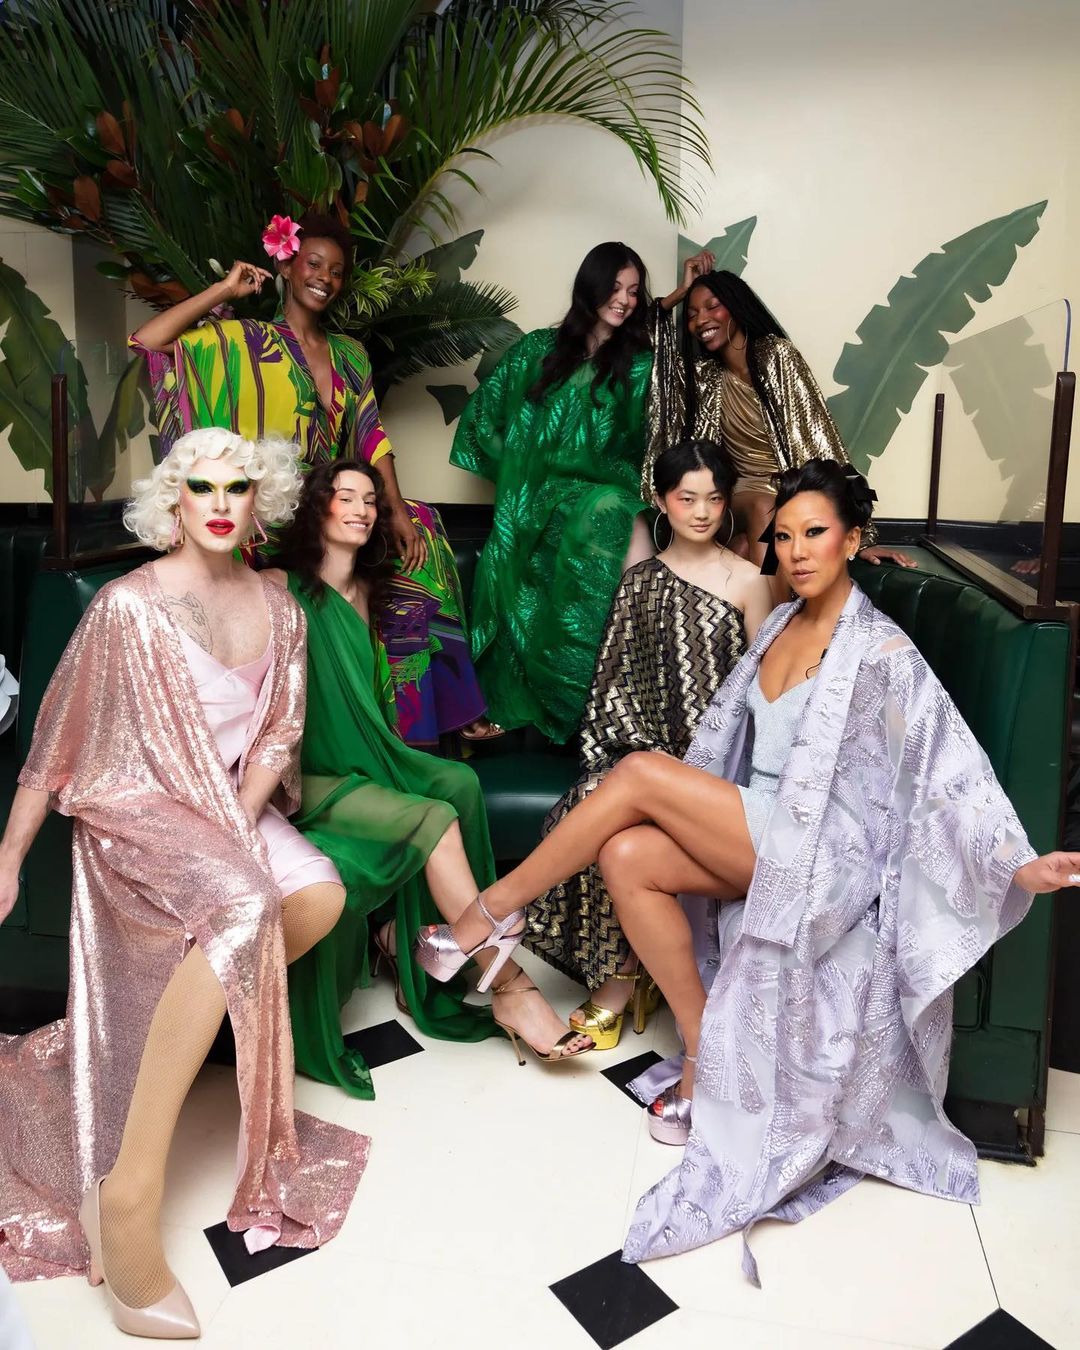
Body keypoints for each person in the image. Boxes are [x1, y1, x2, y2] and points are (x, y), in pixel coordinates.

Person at [415, 458, 1079, 1275]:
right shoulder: (778, 622)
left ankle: (487, 914)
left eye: (816, 533)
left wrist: (1017, 865)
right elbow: (730, 739)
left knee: (638, 775)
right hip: (761, 829)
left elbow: (946, 772)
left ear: (854, 541)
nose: (797, 551)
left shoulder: (881, 650)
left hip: (824, 852)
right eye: (785, 536)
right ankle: (706, 1055)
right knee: (626, 854)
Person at [0, 429, 368, 1337]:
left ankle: (176, 1026)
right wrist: (6, 857)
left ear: (259, 501)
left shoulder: (279, 605)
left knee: (317, 896)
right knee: (244, 905)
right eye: (201, 487)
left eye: (237, 488)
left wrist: (234, 824)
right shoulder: (126, 607)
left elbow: (279, 734)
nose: (219, 503)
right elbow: (53, 744)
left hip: (227, 805)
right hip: (136, 804)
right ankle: (124, 1195)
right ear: (174, 500)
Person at [264, 459, 593, 1077]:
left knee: (459, 780)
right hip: (314, 775)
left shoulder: (375, 591)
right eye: (345, 497)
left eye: (370, 499)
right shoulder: (279, 585)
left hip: (373, 754)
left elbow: (410, 674)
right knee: (435, 816)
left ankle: (414, 942)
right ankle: (509, 987)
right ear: (316, 507)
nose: (362, 509)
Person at [129, 211, 500, 747]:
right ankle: (408, 720)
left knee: (422, 525)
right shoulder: (244, 339)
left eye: (337, 270)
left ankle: (423, 715)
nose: (325, 277)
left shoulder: (350, 353)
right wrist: (225, 289)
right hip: (273, 510)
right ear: (287, 267)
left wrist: (396, 510)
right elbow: (147, 341)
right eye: (314, 264)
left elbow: (371, 435)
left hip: (330, 500)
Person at [527, 440, 772, 1048]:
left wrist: (700, 762)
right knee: (596, 802)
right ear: (662, 502)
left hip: (718, 768)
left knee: (629, 806)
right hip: (641, 755)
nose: (701, 511)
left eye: (714, 498)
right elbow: (613, 686)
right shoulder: (638, 581)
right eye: (687, 498)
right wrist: (634, 755)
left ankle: (616, 983)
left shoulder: (749, 582)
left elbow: (764, 698)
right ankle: (624, 975)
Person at [448, 241, 658, 743]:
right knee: (533, 542)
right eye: (615, 287)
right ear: (590, 287)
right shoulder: (536, 351)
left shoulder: (642, 365)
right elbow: (483, 421)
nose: (624, 300)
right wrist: (525, 477)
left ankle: (613, 704)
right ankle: (571, 708)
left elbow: (650, 445)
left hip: (605, 499)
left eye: (634, 291)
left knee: (612, 514)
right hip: (534, 501)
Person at [649, 254, 916, 581]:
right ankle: (775, 614)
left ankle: (759, 609)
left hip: (787, 494)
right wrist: (680, 292)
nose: (701, 319)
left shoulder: (777, 356)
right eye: (691, 314)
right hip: (738, 497)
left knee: (745, 551)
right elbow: (652, 358)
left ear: (735, 307)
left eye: (712, 307)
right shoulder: (703, 377)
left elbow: (822, 440)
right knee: (764, 508)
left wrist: (862, 535)